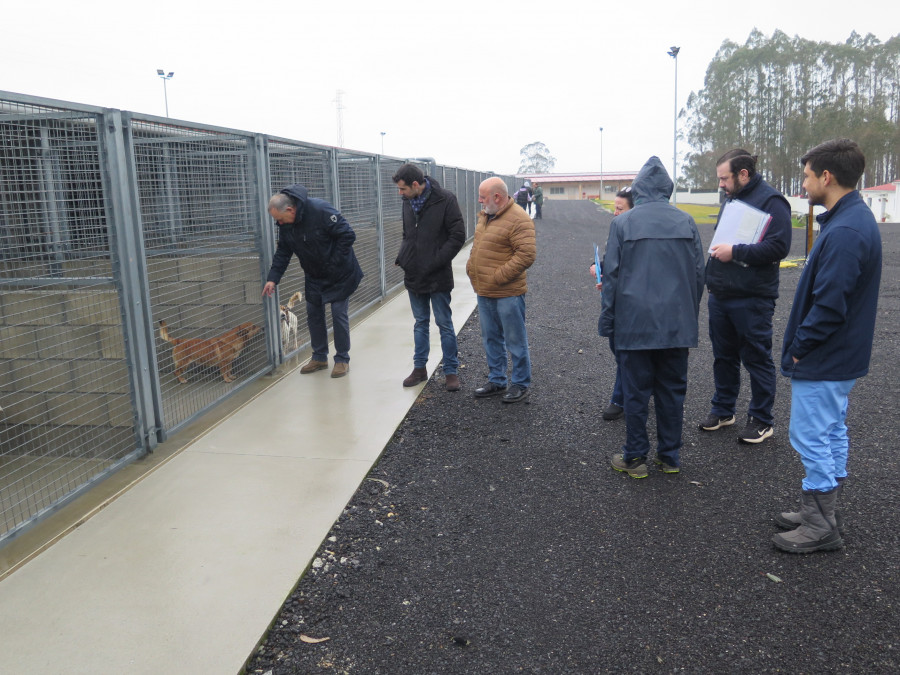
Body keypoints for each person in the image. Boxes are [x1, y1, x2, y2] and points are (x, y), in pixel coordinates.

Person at [772, 139, 882, 554]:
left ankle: (820, 526)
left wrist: (800, 346)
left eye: (805, 175)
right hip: (841, 356)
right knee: (832, 429)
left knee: (810, 435)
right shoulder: (850, 219)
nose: (802, 184)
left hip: (826, 356)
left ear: (826, 176)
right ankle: (824, 512)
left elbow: (830, 305)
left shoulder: (846, 231)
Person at [600, 157, 704, 478]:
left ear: (640, 188)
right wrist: (687, 315)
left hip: (635, 326)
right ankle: (669, 456)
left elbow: (612, 278)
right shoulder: (686, 223)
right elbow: (699, 275)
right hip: (676, 325)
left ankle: (635, 457)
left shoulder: (623, 223)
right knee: (672, 391)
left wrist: (608, 322)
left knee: (635, 392)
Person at [699, 149, 792, 443]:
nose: (721, 185)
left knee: (757, 357)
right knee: (723, 357)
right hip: (721, 294)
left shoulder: (772, 201)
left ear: (743, 174)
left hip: (752, 297)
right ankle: (724, 409)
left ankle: (762, 419)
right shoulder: (731, 199)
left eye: (724, 178)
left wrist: (735, 252)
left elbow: (780, 246)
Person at [263, 184, 363, 378]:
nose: (279, 224)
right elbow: (283, 252)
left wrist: (333, 263)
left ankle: (342, 359)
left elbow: (348, 235)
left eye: (280, 219)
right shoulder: (286, 225)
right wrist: (272, 279)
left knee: (338, 313)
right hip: (314, 275)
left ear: (290, 210)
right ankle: (319, 357)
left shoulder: (320, 210)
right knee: (313, 314)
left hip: (340, 273)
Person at [392, 163, 466, 392]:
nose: (400, 193)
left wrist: (435, 261)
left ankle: (451, 371)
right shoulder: (407, 202)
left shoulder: (445, 200)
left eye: (403, 189)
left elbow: (457, 235)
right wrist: (403, 257)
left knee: (444, 323)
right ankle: (419, 369)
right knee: (420, 323)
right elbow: (407, 234)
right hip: (414, 273)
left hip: (437, 274)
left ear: (416, 184)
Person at [467, 177, 537, 403]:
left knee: (515, 339)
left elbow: (526, 255)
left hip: (507, 293)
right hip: (485, 291)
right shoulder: (487, 215)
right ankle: (497, 380)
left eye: (483, 196)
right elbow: (478, 246)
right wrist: (471, 268)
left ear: (497, 197)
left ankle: (520, 383)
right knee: (491, 338)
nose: (479, 201)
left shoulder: (519, 218)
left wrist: (498, 277)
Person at [590, 186, 633, 421]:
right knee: (619, 353)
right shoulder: (617, 228)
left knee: (625, 354)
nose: (615, 213)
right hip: (614, 302)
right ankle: (634, 392)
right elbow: (611, 261)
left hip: (630, 306)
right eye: (614, 208)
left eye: (620, 208)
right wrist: (600, 271)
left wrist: (609, 280)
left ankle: (620, 398)